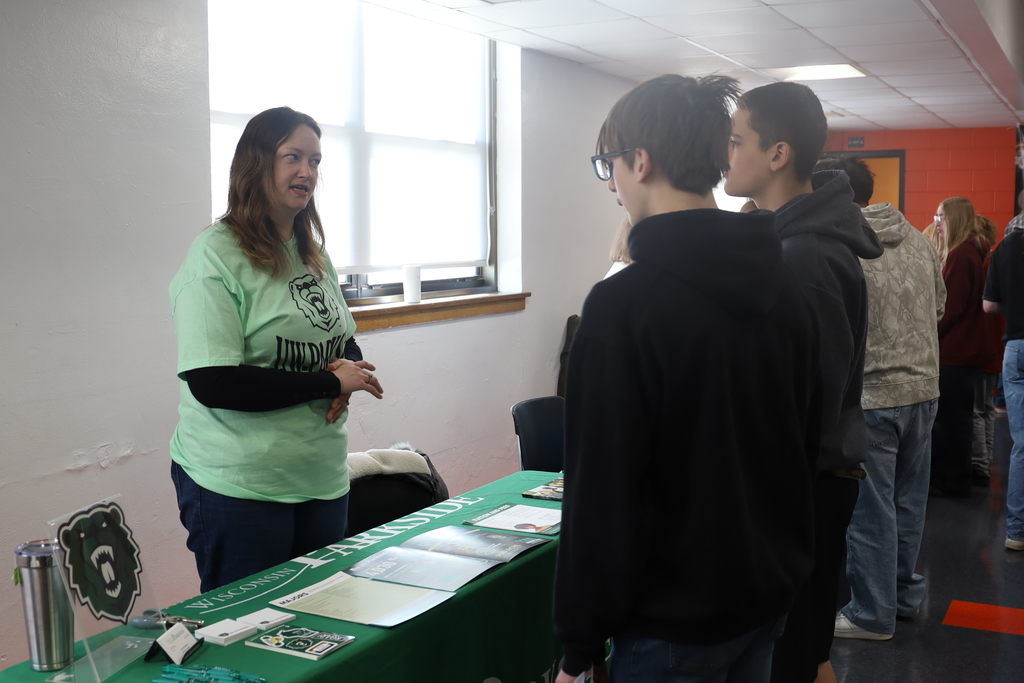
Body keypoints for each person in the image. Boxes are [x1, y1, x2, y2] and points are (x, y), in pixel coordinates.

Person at [554, 74, 822, 683]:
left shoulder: (623, 307)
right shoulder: (785, 287)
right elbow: (804, 449)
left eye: (609, 165)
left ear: (640, 161)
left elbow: (603, 490)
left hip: (671, 626)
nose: (614, 185)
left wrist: (580, 646)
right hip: (764, 600)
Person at [169, 107, 384, 593]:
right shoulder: (215, 256)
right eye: (292, 157)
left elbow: (339, 333)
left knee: (321, 624)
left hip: (320, 477)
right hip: (240, 485)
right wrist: (331, 382)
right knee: (250, 636)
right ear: (256, 163)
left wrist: (348, 367)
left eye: (315, 160)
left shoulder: (311, 249)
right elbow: (213, 381)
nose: (307, 172)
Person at [724, 82, 883, 683]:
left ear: (778, 154)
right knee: (806, 652)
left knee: (795, 656)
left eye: (738, 142)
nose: (727, 155)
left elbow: (805, 408)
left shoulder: (806, 259)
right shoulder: (792, 244)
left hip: (805, 488)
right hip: (808, 484)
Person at [814, 156, 945, 641]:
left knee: (872, 510)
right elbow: (939, 306)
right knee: (908, 502)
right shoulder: (919, 241)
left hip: (872, 395)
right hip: (924, 390)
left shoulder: (841, 245)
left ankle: (872, 614)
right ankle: (902, 597)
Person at [931, 197, 995, 498]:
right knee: (958, 420)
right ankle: (956, 479)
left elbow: (951, 308)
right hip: (963, 351)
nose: (936, 222)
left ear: (954, 219)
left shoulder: (961, 255)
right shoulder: (970, 252)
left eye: (941, 216)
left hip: (955, 351)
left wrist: (929, 333)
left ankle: (952, 483)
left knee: (951, 422)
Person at [984, 211, 1024, 550]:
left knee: (1021, 443)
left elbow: (989, 305)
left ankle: (1017, 532)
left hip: (1015, 348)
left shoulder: (1006, 247)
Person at [972, 215, 1003, 485]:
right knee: (987, 408)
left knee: (977, 411)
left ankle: (980, 465)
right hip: (997, 349)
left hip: (984, 347)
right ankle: (987, 460)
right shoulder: (997, 263)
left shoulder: (985, 266)